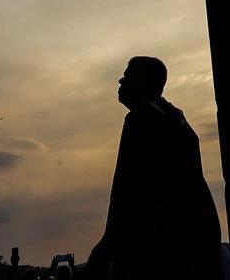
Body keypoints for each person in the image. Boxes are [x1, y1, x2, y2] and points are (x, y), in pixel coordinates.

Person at [86, 57, 222, 280]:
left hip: (156, 247)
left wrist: (105, 248)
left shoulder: (141, 121)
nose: (121, 81)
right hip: (192, 241)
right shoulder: (179, 123)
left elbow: (128, 192)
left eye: (129, 75)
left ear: (148, 82)